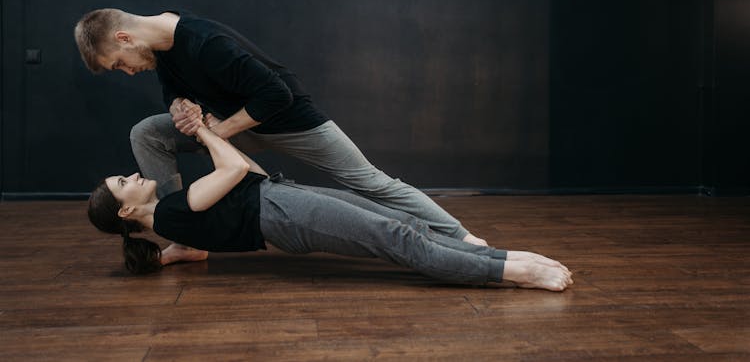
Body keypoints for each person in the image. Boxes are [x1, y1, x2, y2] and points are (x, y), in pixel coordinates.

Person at [74, 8, 487, 249]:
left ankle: (464, 239)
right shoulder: (161, 48)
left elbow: (277, 96)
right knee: (148, 131)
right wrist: (178, 105)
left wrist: (217, 132)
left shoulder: (205, 43)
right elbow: (173, 87)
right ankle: (186, 236)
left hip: (291, 122)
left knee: (373, 184)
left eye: (119, 64)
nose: (127, 73)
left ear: (125, 38)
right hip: (233, 128)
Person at [87, 119, 573, 291]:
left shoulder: (179, 219)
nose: (132, 174)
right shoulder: (174, 214)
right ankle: (511, 272)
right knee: (397, 238)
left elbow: (246, 174)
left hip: (280, 198)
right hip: (283, 216)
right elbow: (235, 171)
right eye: (122, 182)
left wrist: (211, 136)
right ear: (127, 211)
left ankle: (499, 258)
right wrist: (205, 132)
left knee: (401, 221)